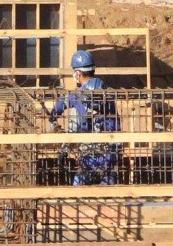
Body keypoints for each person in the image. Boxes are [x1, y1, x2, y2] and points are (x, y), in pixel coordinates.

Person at [47, 49, 122, 185]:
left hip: (89, 153)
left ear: (78, 73)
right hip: (110, 151)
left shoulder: (76, 95)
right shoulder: (107, 94)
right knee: (110, 193)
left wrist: (52, 120)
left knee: (79, 190)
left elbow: (58, 109)